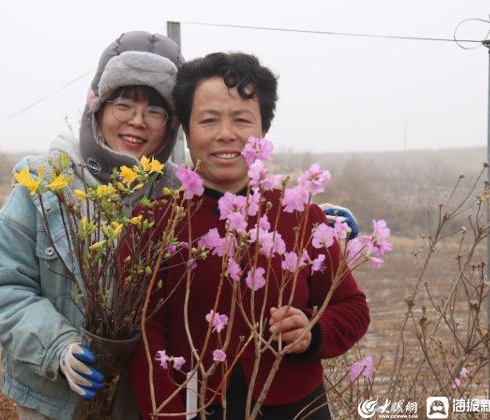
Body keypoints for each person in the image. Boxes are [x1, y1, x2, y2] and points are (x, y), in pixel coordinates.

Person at [129, 52, 370, 419]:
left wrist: (312, 332)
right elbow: (145, 342)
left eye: (242, 120)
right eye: (208, 120)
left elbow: (352, 309)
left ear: (263, 131)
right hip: (193, 409)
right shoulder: (155, 224)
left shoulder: (301, 215)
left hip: (298, 408)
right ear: (186, 131)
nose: (226, 134)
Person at [0, 31, 184, 420]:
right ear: (97, 107)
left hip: (146, 401)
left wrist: (309, 223)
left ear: (171, 123)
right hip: (54, 400)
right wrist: (59, 346)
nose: (137, 122)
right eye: (123, 103)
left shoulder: (177, 195)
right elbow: (2, 286)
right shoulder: (42, 184)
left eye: (155, 111)